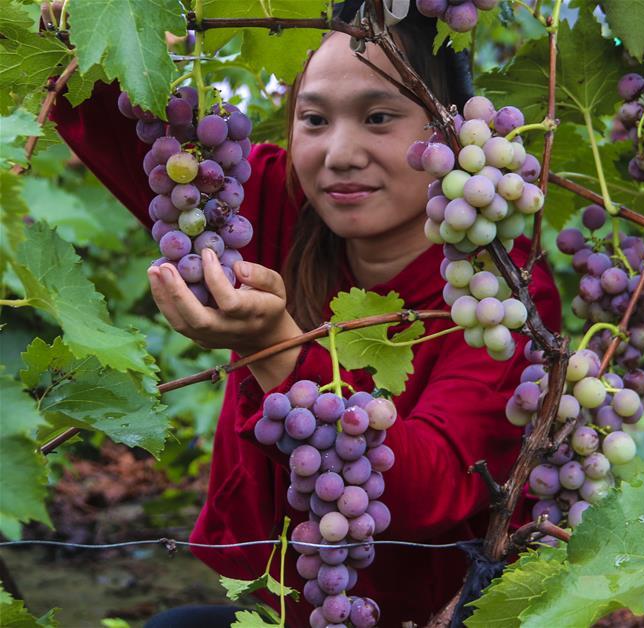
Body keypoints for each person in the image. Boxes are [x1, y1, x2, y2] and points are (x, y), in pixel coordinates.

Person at [50, 6, 561, 626]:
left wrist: (280, 349)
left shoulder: (497, 291)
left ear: (451, 133)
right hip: (282, 602)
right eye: (314, 119)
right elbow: (107, 113)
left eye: (379, 117)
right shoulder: (272, 198)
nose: (340, 154)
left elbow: (435, 485)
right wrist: (82, 22)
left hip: (414, 614)